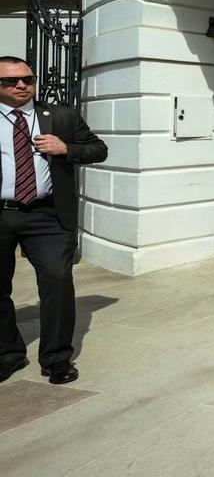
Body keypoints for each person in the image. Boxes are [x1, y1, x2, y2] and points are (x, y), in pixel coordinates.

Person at [0, 56, 108, 385]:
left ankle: (57, 358)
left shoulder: (60, 116)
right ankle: (8, 354)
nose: (22, 85)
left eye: (27, 79)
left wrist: (66, 148)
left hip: (48, 213)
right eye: (10, 81)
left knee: (58, 281)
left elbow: (99, 149)